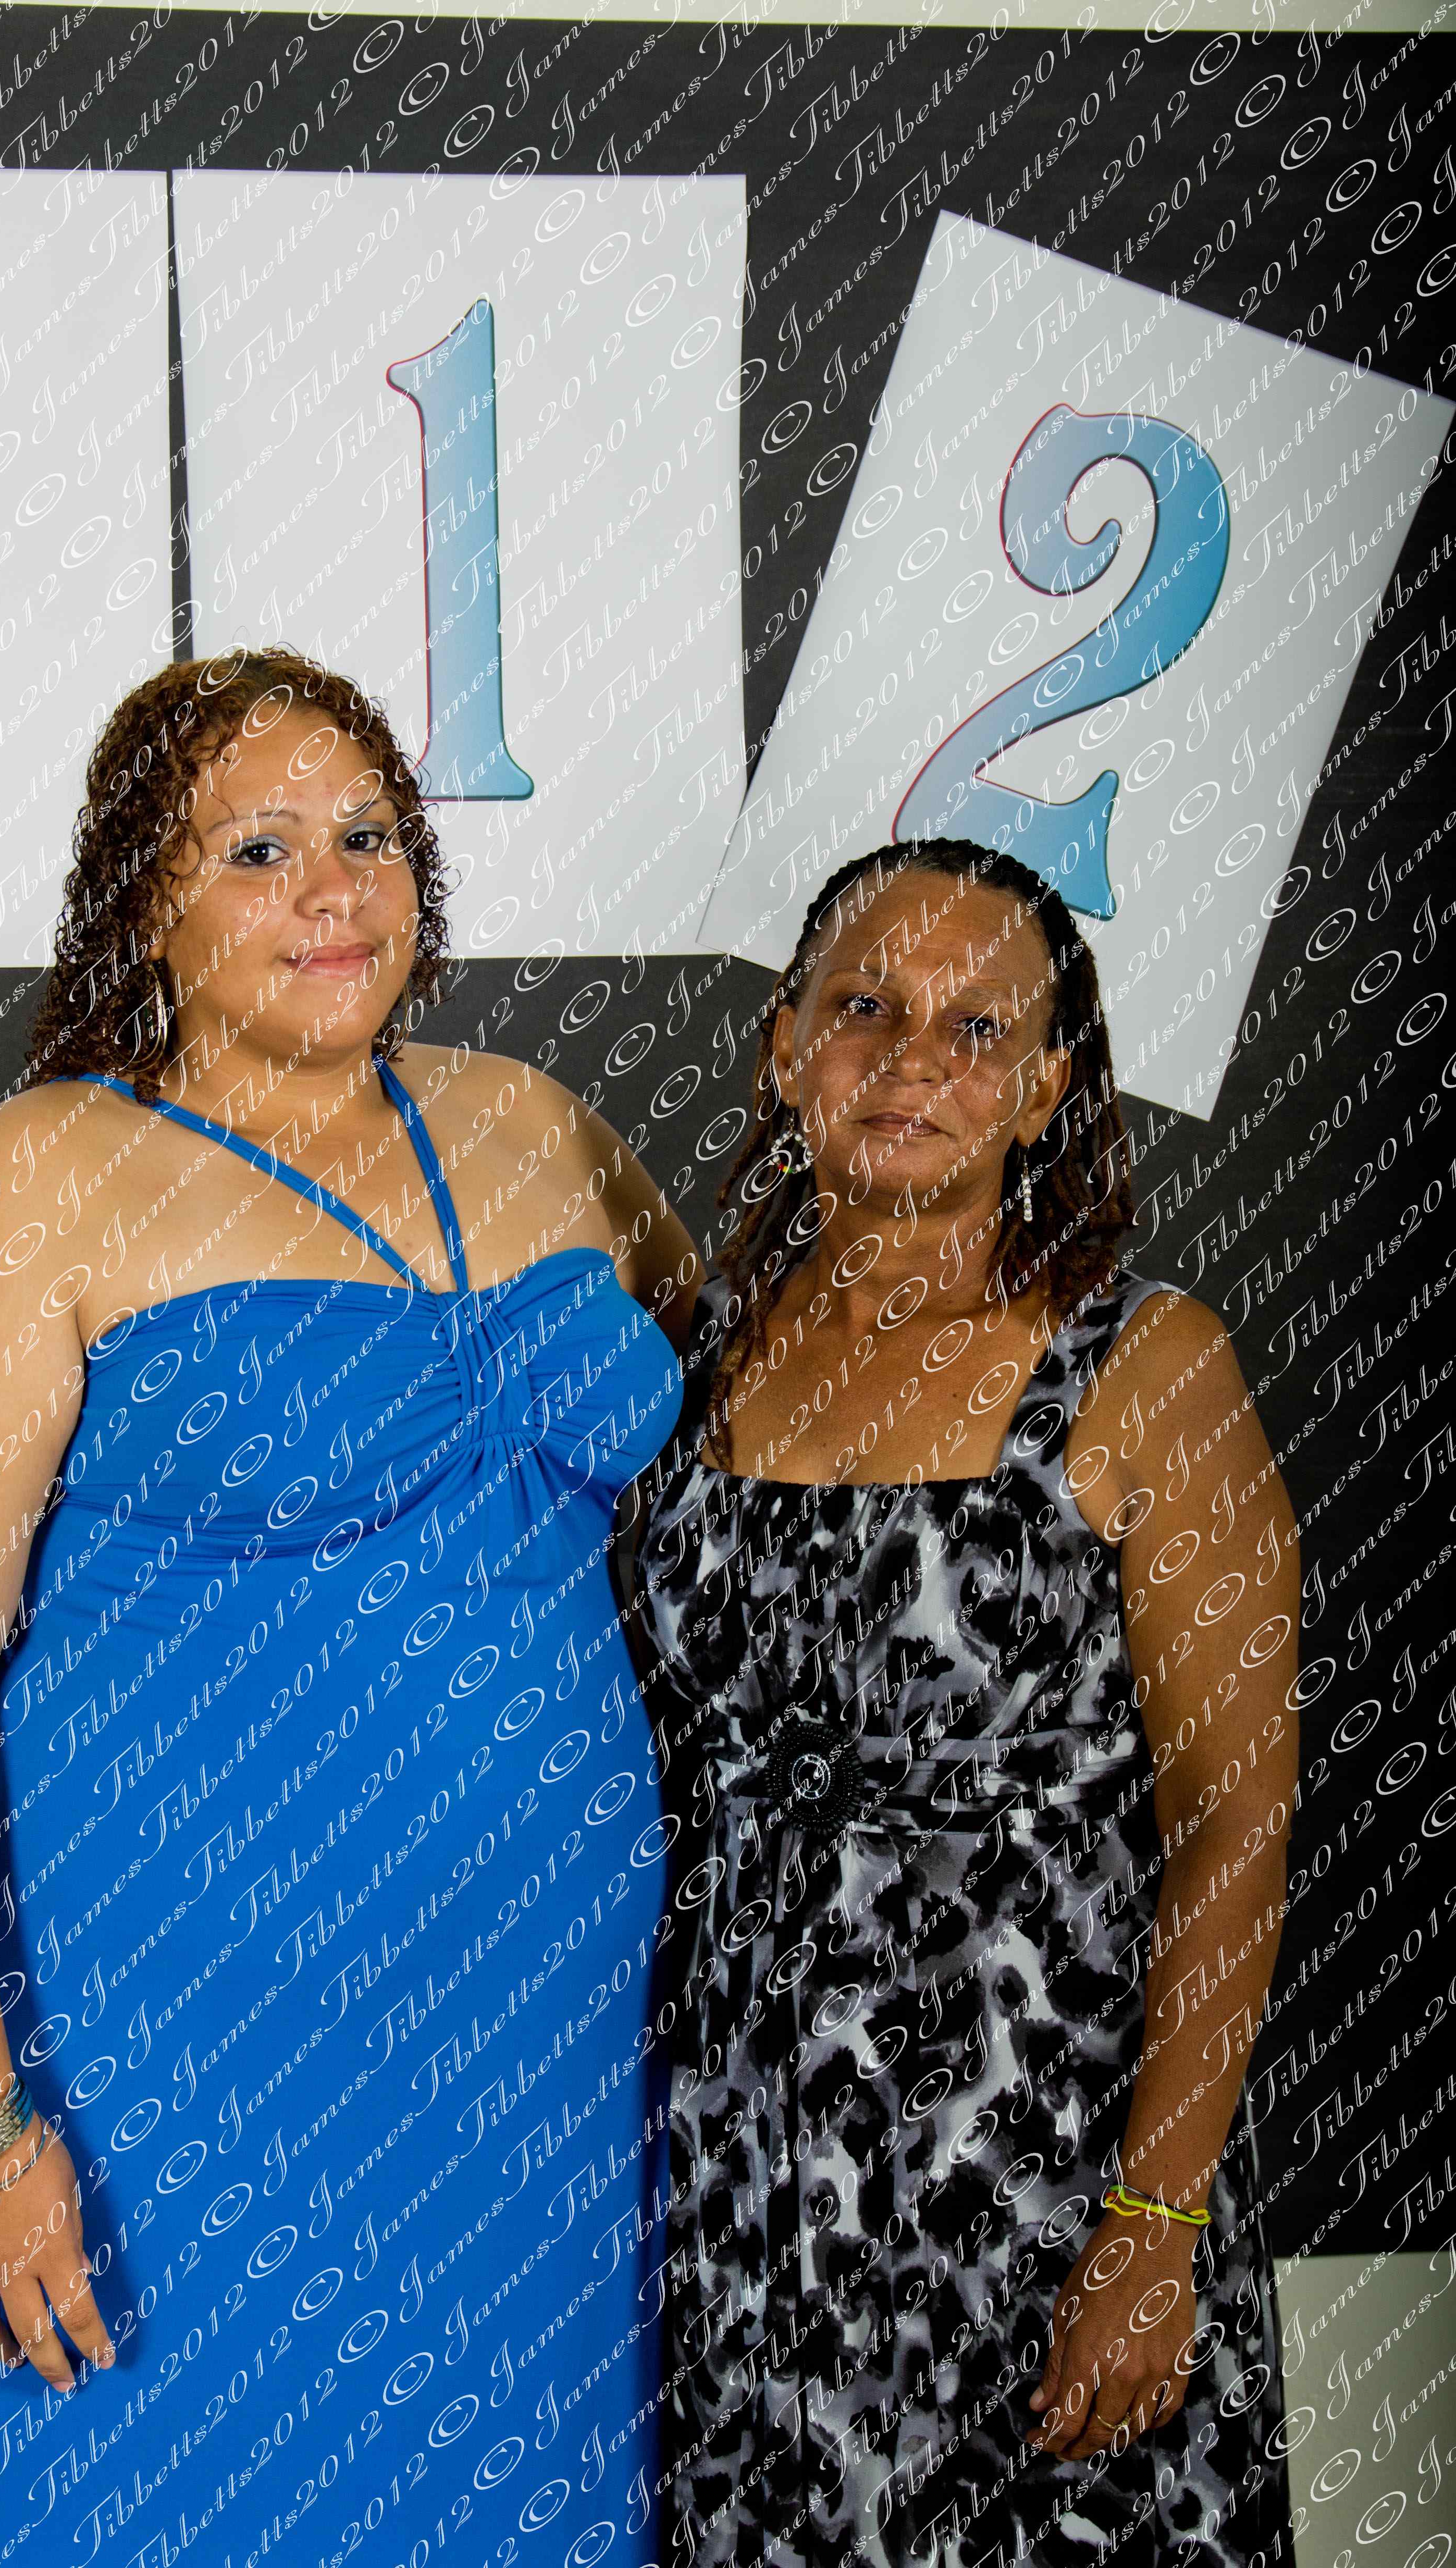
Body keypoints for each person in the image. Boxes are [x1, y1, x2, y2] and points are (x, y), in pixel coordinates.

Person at [0, 646, 700, 2566]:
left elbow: (735, 1434)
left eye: (369, 837)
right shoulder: (35, 1182)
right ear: (144, 902)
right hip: (163, 2078)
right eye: (258, 851)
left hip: (523, 2082)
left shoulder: (535, 1127)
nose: (332, 892)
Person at [629, 839, 1299, 2568]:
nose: (914, 1059)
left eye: (978, 1026)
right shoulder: (687, 1362)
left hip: (1046, 2187)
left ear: (1048, 1087)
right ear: (786, 1048)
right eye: (867, 1008)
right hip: (746, 2199)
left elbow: (1235, 1823)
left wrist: (1157, 2223)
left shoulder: (1143, 1368)